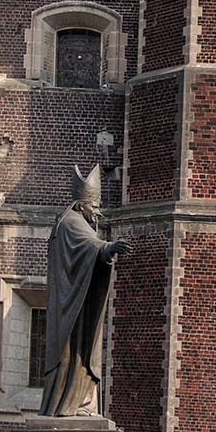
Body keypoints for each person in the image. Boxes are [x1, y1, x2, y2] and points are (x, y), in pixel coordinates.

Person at [40, 165, 133, 416]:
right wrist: (108, 247)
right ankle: (72, 405)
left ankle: (80, 404)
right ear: (81, 205)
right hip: (71, 309)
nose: (98, 212)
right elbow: (90, 245)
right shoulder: (71, 222)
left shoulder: (72, 221)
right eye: (94, 206)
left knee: (83, 352)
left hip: (76, 302)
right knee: (76, 354)